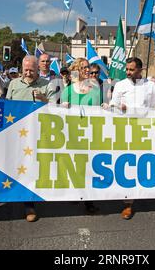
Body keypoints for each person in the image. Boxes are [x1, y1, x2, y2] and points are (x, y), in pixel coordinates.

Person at [105, 57, 155, 220]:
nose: (128, 72)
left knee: (141, 163)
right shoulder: (120, 85)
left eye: (131, 69)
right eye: (127, 69)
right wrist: (119, 107)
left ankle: (139, 193)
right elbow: (112, 105)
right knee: (126, 164)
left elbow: (153, 107)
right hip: (124, 129)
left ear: (140, 70)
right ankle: (127, 203)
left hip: (143, 130)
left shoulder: (150, 85)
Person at [6, 56, 54, 222]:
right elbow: (7, 106)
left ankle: (29, 204)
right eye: (25, 70)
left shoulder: (46, 84)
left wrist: (44, 99)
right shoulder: (13, 84)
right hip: (16, 133)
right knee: (15, 165)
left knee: (30, 167)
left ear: (37, 69)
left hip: (36, 133)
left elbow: (56, 107)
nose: (28, 73)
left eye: (31, 70)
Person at [60, 58, 100, 214]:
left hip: (91, 133)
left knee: (89, 165)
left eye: (88, 67)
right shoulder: (67, 91)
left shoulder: (96, 89)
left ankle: (89, 200)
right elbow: (61, 114)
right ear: (76, 70)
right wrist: (64, 108)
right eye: (83, 67)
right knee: (75, 163)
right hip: (74, 132)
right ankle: (74, 193)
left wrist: (104, 106)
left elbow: (99, 111)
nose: (87, 70)